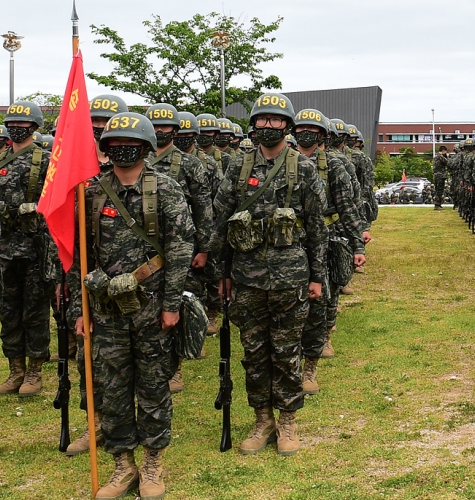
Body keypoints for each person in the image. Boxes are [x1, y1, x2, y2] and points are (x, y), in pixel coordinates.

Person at [70, 111, 194, 500]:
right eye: (115, 144)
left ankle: (153, 462)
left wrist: (172, 304)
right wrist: (80, 309)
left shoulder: (167, 189)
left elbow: (180, 249)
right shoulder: (88, 192)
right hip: (104, 309)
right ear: (105, 149)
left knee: (154, 384)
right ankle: (123, 464)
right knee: (111, 388)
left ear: (145, 148)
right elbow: (77, 257)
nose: (123, 150)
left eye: (132, 144)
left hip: (152, 307)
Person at [213, 93, 328, 456]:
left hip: (290, 277)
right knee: (254, 351)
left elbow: (316, 227)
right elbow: (221, 220)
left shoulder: (304, 169)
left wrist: (316, 276)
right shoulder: (238, 165)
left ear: (287, 126)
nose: (267, 126)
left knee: (286, 351)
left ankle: (288, 420)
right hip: (246, 276)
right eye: (261, 120)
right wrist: (222, 271)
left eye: (275, 120)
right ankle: (262, 418)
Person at [291, 110, 367, 393]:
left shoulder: (335, 165)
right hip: (293, 242)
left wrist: (357, 243)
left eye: (312, 129)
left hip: (328, 235)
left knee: (326, 294)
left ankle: (317, 349)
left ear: (322, 135)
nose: (306, 134)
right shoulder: (284, 163)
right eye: (301, 128)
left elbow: (348, 207)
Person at [143, 103, 217, 394]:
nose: (160, 132)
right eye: (155, 126)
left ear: (175, 130)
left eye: (165, 127)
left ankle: (175, 370)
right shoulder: (140, 159)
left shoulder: (189, 165)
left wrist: (204, 249)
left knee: (177, 306)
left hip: (181, 247)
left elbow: (203, 209)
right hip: (143, 251)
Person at [0, 100, 58, 397]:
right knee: (8, 311)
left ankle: (34, 370)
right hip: (3, 249)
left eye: (23, 124)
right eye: (13, 124)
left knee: (35, 311)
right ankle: (15, 369)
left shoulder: (46, 160)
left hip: (35, 247)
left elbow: (59, 204)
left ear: (34, 126)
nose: (17, 128)